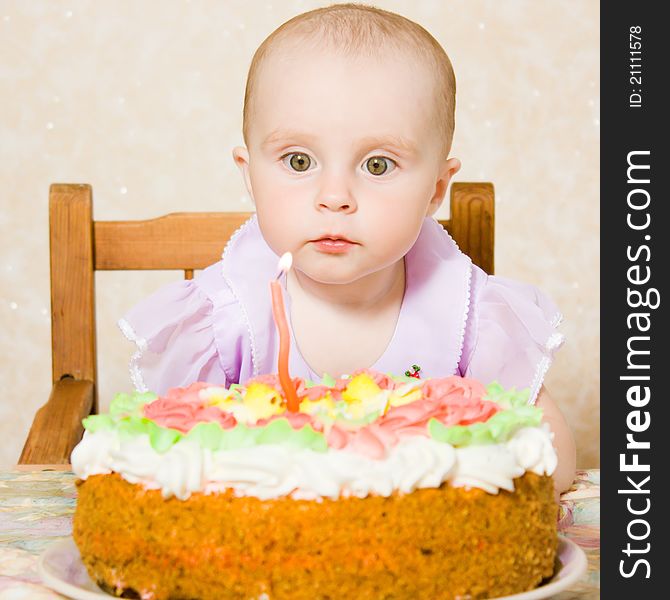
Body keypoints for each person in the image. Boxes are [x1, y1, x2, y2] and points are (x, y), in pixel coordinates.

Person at [119, 3, 576, 493]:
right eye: (298, 161)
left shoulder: (470, 318)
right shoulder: (222, 317)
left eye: (377, 165)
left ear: (437, 189)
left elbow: (551, 461)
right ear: (248, 174)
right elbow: (162, 467)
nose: (334, 197)